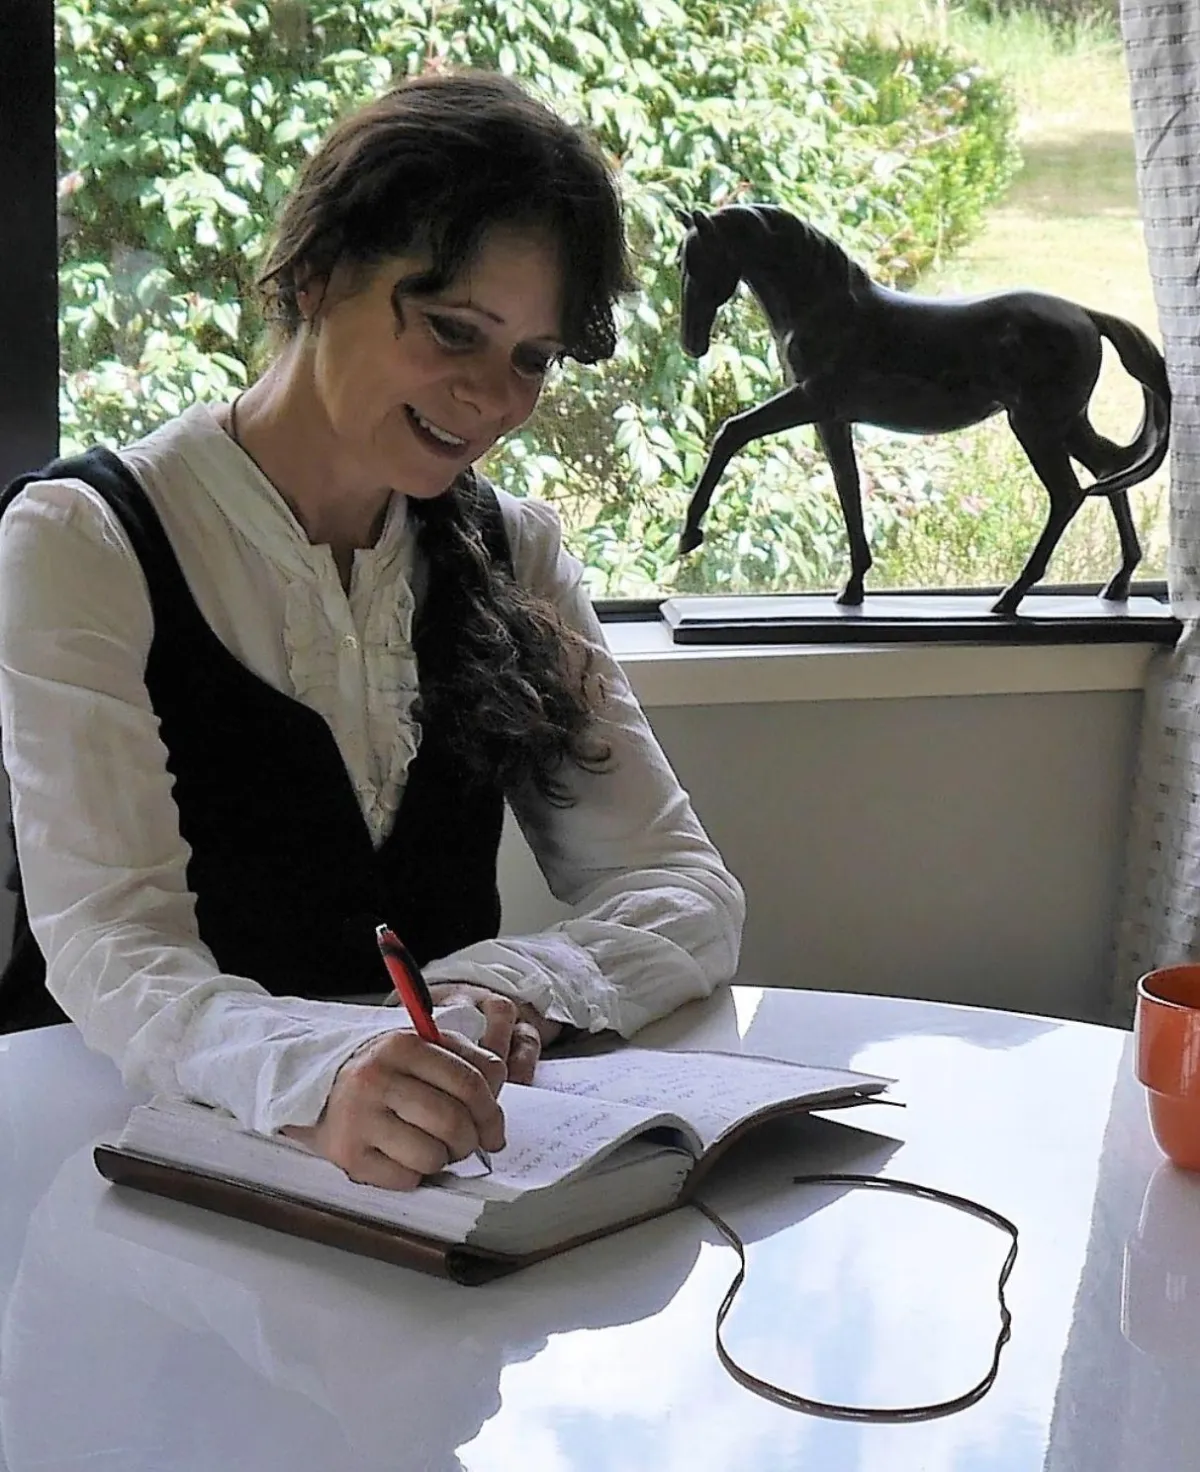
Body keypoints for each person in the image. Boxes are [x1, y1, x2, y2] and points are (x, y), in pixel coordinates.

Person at [0, 70, 744, 1191]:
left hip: (434, 1199)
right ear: (314, 275)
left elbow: (684, 888)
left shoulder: (516, 552)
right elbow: (117, 950)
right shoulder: (81, 541)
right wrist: (323, 1071)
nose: (495, 397)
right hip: (113, 1178)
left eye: (531, 358)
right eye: (455, 330)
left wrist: (506, 985)